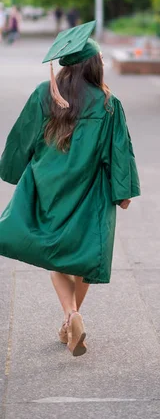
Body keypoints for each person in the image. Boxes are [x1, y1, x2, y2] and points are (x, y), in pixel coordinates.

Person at [0, 21, 140, 357]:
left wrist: (13, 170)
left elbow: (23, 138)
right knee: (84, 256)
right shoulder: (108, 103)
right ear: (93, 66)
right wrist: (123, 192)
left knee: (56, 252)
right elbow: (118, 150)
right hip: (91, 190)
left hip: (49, 186)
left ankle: (70, 316)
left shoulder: (44, 94)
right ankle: (71, 316)